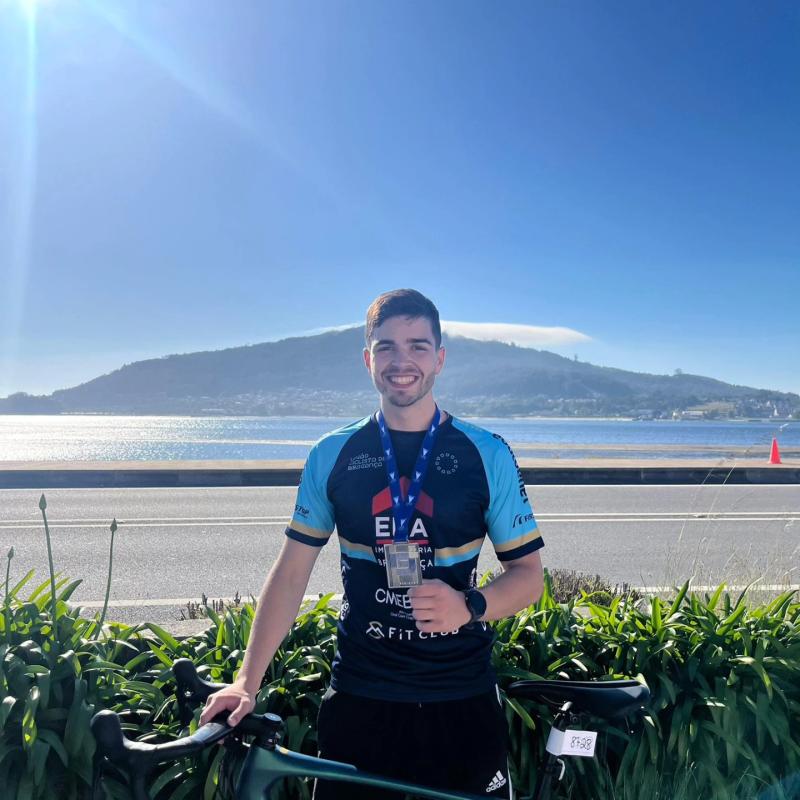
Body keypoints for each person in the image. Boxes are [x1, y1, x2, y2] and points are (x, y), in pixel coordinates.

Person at [200, 289, 545, 798]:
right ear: (368, 360)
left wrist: (469, 605)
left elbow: (529, 578)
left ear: (440, 358)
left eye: (418, 346)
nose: (402, 361)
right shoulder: (332, 453)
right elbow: (291, 573)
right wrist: (245, 682)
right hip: (361, 700)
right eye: (386, 347)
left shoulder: (487, 453)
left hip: (460, 700)